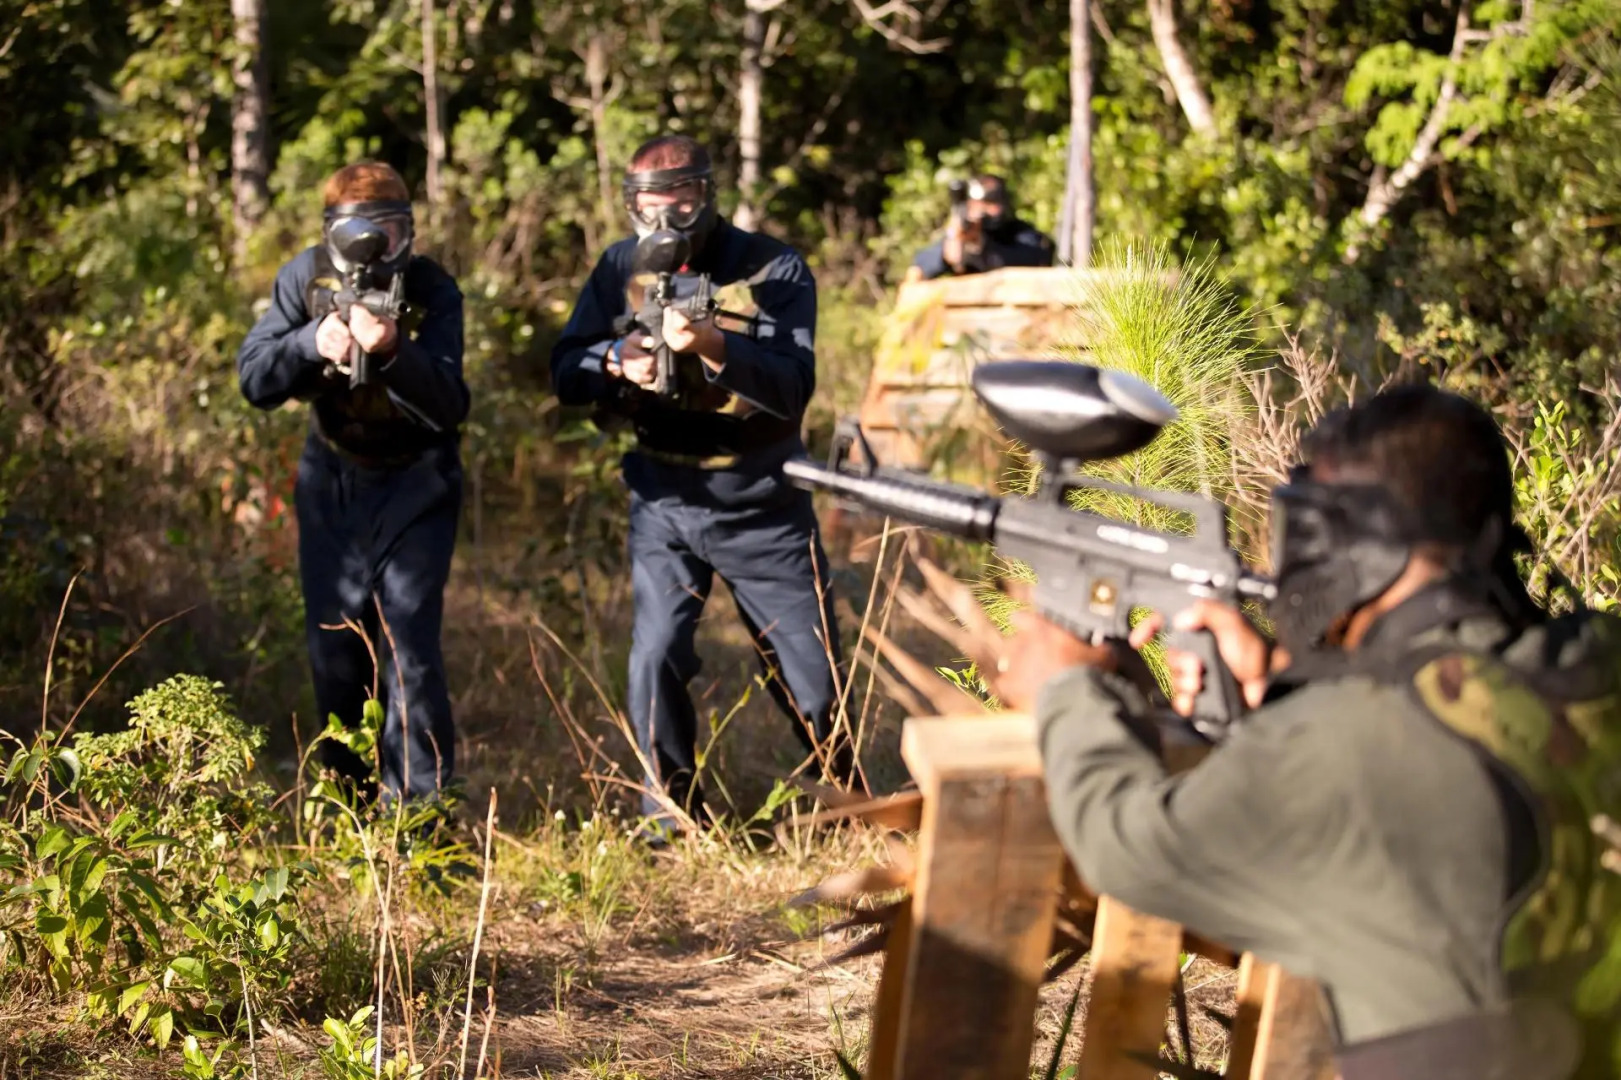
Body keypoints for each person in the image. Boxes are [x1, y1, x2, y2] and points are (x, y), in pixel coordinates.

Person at [985, 384, 1621, 1079]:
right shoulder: (1590, 665)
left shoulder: (1347, 742)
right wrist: (1282, 693)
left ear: (1347, 546)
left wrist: (1066, 687)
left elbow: (1128, 847)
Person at [550, 134, 850, 835]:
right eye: (649, 205)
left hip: (760, 499)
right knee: (655, 655)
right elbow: (565, 369)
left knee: (810, 675)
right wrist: (613, 358)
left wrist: (714, 345)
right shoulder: (619, 266)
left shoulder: (769, 266)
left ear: (705, 196)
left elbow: (792, 385)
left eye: (679, 202)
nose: (664, 219)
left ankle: (846, 799)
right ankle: (670, 821)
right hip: (664, 496)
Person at [237, 161, 468, 803]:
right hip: (333, 480)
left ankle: (422, 816)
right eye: (357, 234)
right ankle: (352, 810)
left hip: (419, 481)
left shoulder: (431, 288)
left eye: (388, 232)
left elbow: (449, 403)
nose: (373, 249)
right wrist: (313, 342)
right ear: (330, 234)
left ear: (408, 233)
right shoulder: (305, 277)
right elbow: (255, 378)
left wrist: (392, 349)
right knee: (335, 651)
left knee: (409, 645)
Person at [906, 174, 1055, 282]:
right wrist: (947, 253)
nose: (981, 211)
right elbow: (921, 264)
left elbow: (1036, 257)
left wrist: (982, 246)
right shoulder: (963, 233)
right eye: (976, 205)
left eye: (989, 203)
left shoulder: (1018, 232)